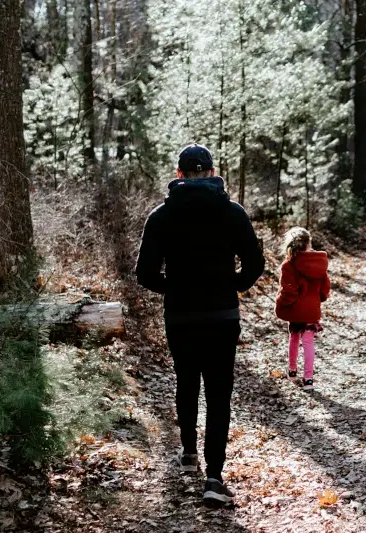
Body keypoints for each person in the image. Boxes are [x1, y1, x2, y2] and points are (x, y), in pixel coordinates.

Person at [135, 144, 265, 505]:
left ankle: (189, 454)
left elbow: (144, 273)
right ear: (210, 172)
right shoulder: (232, 212)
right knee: (219, 392)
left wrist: (173, 289)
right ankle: (213, 477)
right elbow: (255, 263)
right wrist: (233, 285)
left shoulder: (161, 215)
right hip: (222, 316)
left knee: (187, 381)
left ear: (179, 174)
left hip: (181, 316)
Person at [275, 228, 330, 391]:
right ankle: (308, 379)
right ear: (309, 243)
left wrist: (281, 303)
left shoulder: (289, 265)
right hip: (312, 309)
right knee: (308, 342)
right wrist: (317, 299)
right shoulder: (319, 263)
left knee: (294, 338)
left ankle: (292, 371)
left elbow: (288, 292)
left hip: (295, 310)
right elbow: (325, 288)